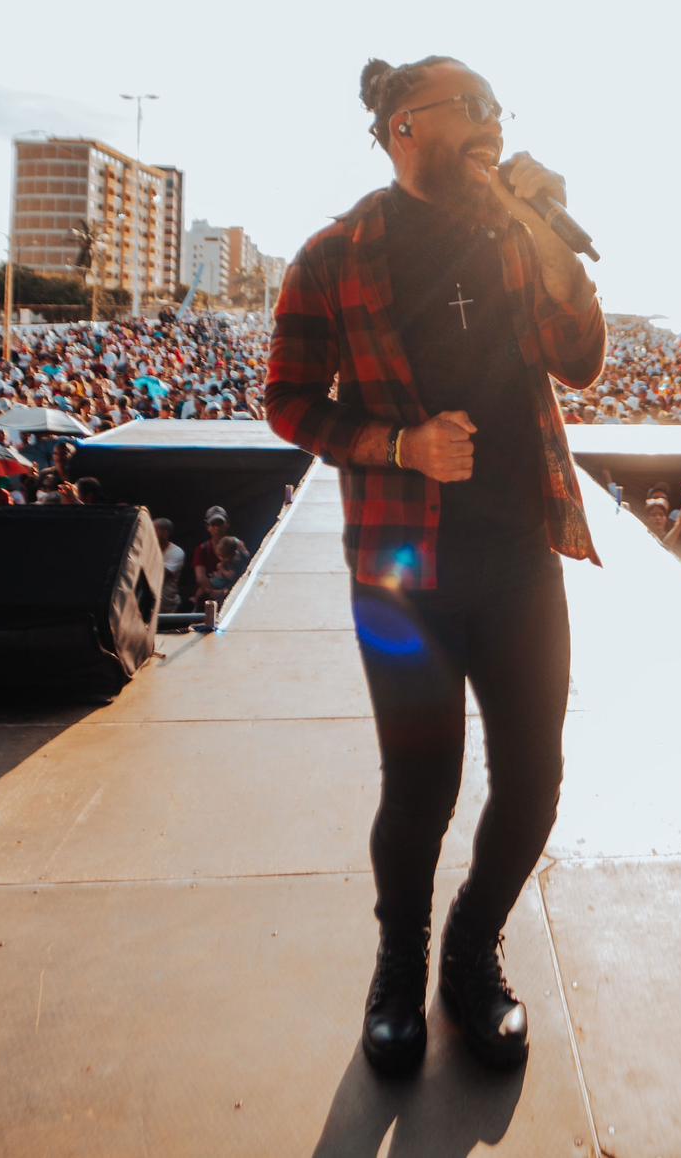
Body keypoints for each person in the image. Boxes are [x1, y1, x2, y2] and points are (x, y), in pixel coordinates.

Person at [264, 53, 605, 1077]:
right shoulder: (333, 254)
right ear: (405, 124)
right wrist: (398, 446)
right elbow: (287, 401)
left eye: (497, 108)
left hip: (518, 555)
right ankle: (398, 968)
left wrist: (546, 231)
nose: (490, 124)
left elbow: (580, 355)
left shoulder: (511, 232)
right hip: (397, 568)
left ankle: (471, 946)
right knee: (420, 786)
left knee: (534, 780)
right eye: (470, 109)